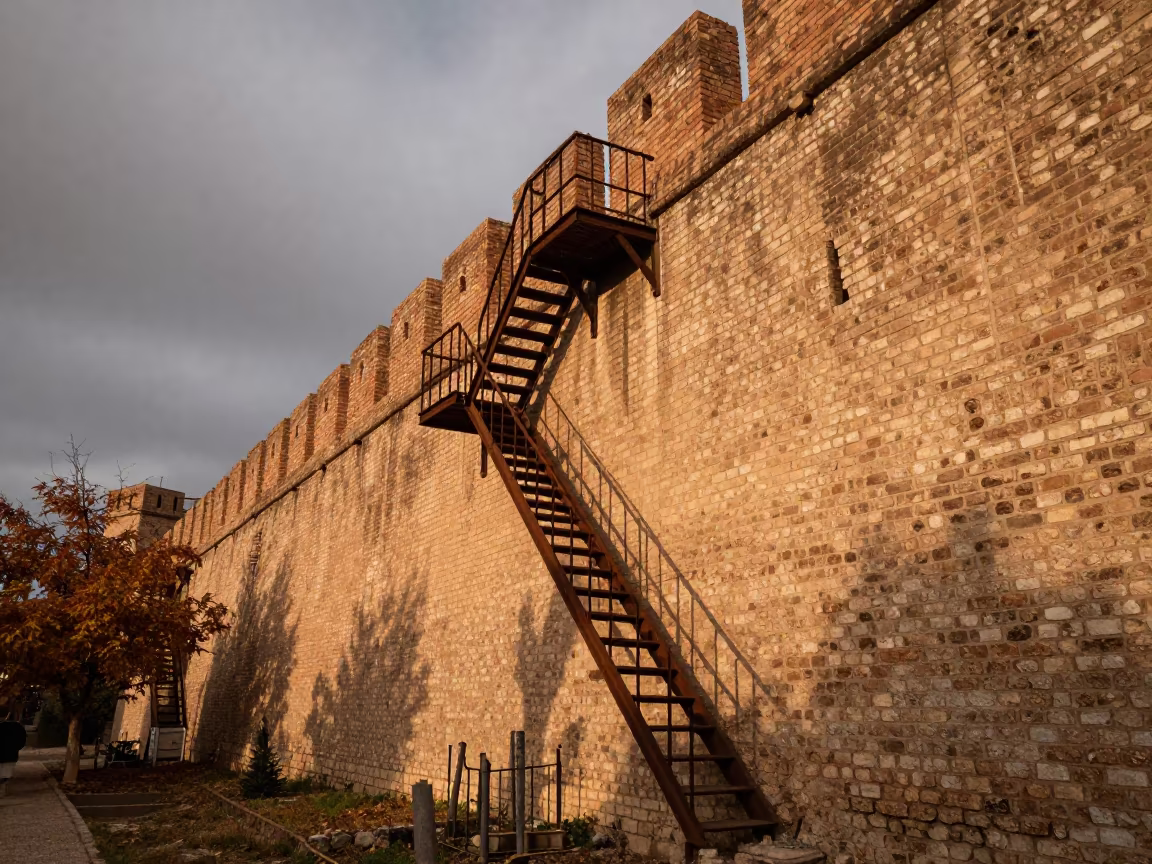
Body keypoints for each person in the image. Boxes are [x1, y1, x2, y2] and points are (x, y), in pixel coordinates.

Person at [0, 719, 28, 796]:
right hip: (10, 756)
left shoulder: (15, 727)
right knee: (6, 774)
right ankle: (3, 787)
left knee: (4, 773)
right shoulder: (16, 727)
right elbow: (22, 741)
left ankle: (2, 787)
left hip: (7, 756)